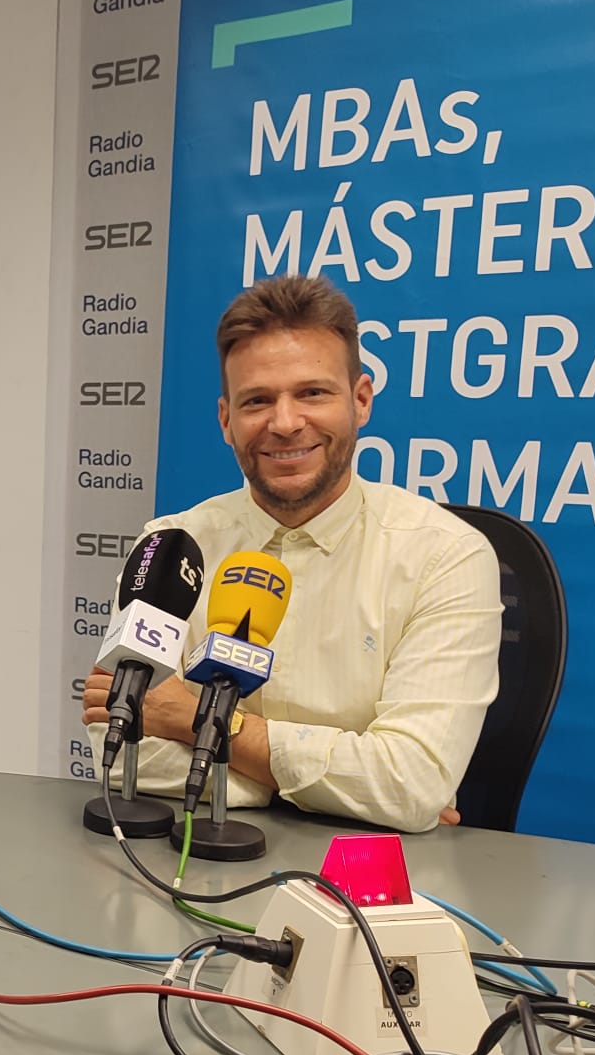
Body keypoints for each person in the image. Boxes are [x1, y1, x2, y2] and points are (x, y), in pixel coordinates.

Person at [84, 275, 501, 833]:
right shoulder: (171, 547)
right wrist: (344, 788)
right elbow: (117, 752)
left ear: (360, 401)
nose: (284, 423)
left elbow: (410, 782)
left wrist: (202, 724)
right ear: (227, 421)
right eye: (257, 401)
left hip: (360, 887)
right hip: (189, 861)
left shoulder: (446, 557)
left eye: (312, 393)